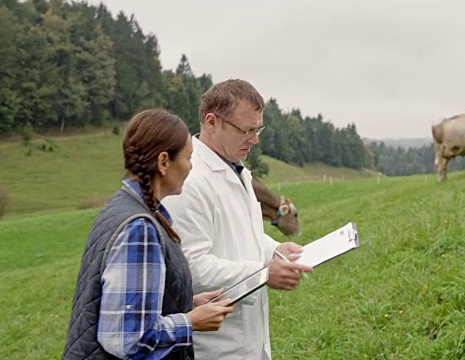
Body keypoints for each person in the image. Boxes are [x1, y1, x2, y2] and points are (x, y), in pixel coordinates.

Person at [62, 109, 235, 360]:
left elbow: (126, 306)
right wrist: (190, 321)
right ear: (164, 162)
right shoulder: (139, 228)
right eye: (188, 157)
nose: (190, 167)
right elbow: (129, 339)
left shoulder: (121, 208)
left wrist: (186, 303)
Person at [162, 79, 313, 360]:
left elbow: (244, 233)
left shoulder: (238, 170)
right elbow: (190, 268)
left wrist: (275, 250)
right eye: (247, 130)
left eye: (258, 129)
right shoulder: (189, 181)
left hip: (249, 340)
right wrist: (264, 272)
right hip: (216, 347)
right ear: (212, 122)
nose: (255, 139)